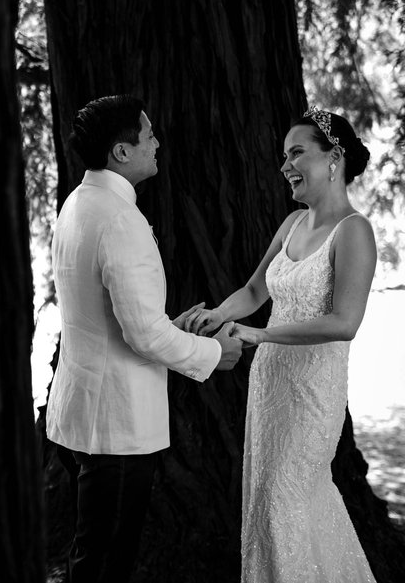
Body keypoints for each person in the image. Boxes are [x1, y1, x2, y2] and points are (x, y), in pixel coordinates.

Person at [47, 94, 243, 583]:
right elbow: (141, 336)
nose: (157, 142)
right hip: (114, 424)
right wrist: (214, 353)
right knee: (103, 567)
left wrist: (167, 326)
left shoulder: (78, 204)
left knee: (92, 555)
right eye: (148, 134)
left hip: (80, 415)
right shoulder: (118, 218)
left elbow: (109, 316)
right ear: (122, 152)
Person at [184, 107, 377, 582]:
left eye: (297, 153)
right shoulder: (291, 223)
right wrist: (215, 316)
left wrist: (262, 334)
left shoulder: (354, 231)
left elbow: (344, 321)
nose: (284, 166)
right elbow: (254, 292)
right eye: (283, 155)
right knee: (265, 502)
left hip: (312, 395)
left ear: (334, 158)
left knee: (283, 499)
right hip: (270, 389)